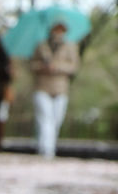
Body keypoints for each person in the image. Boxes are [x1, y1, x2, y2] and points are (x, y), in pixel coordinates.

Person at [30, 21, 80, 157]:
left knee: (56, 119)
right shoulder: (41, 45)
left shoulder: (70, 46)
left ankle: (46, 145)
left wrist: (57, 66)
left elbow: (74, 67)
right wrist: (43, 67)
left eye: (61, 30)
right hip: (42, 87)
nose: (58, 33)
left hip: (60, 88)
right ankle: (47, 150)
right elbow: (32, 65)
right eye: (56, 30)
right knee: (45, 117)